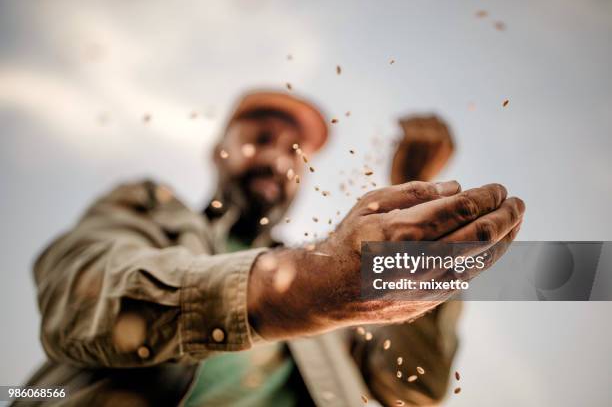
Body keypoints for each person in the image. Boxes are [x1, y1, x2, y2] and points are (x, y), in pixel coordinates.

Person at [18, 90, 525, 406]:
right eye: (260, 137)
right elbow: (80, 293)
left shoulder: (345, 282)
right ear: (220, 149)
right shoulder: (151, 208)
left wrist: (422, 245)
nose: (276, 159)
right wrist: (304, 287)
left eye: (295, 153)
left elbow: (413, 388)